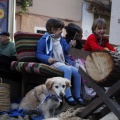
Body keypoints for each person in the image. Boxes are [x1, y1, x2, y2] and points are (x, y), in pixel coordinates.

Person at [36, 18, 85, 106]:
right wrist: (47, 58)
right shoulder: (44, 40)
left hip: (62, 62)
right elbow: (39, 54)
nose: (61, 32)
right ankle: (67, 95)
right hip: (53, 63)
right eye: (59, 30)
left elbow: (66, 51)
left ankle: (77, 95)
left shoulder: (61, 39)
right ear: (53, 30)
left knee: (78, 72)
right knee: (67, 70)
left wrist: (70, 45)